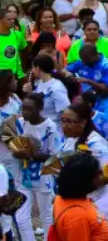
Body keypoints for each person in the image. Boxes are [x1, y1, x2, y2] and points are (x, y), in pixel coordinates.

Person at [13, 92, 60, 239]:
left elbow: (55, 156)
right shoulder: (20, 123)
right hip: (23, 178)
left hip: (43, 178)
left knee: (46, 216)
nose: (25, 112)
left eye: (29, 109)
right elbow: (14, 149)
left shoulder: (50, 127)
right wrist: (21, 152)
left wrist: (30, 154)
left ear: (40, 108)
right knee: (21, 219)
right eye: (23, 108)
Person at [58, 103, 108, 214]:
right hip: (77, 201)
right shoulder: (71, 138)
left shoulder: (95, 143)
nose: (64, 125)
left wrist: (84, 185)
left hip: (98, 203)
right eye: (62, 120)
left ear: (83, 122)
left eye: (69, 121)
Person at [51, 153, 108, 240]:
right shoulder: (77, 217)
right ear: (83, 181)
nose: (100, 178)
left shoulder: (62, 198)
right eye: (97, 175)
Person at [65, 43, 108, 133]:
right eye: (82, 60)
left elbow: (107, 89)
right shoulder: (83, 62)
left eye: (85, 60)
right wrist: (69, 75)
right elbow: (66, 70)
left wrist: (88, 81)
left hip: (103, 105)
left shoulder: (107, 66)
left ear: (94, 55)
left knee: (104, 132)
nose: (83, 62)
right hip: (87, 104)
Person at [30, 54, 70, 130]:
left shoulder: (57, 88)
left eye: (33, 67)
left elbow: (66, 112)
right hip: (41, 129)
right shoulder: (39, 83)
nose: (32, 70)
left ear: (38, 68)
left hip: (54, 131)